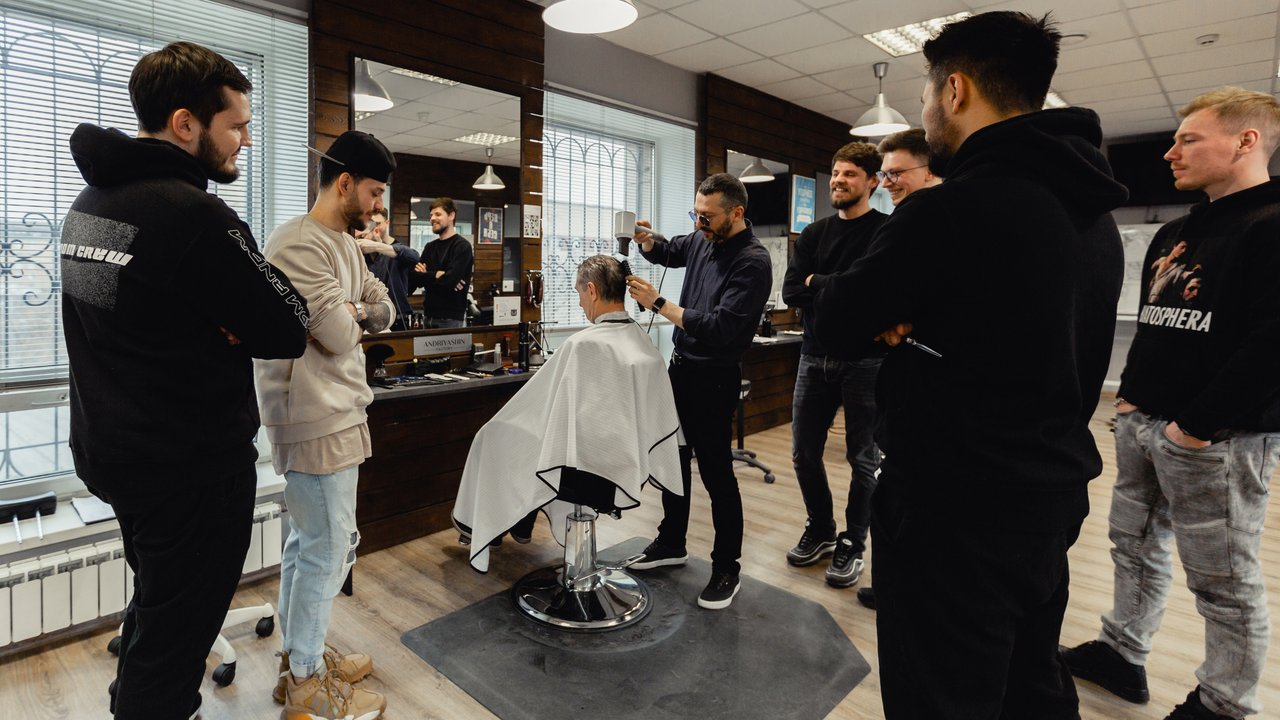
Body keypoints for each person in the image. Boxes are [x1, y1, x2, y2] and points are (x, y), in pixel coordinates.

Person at [814, 12, 1127, 719]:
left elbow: (835, 319)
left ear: (955, 90)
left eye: (927, 93)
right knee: (1030, 687)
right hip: (1047, 498)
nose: (926, 110)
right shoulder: (1094, 217)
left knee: (941, 699)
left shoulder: (951, 210)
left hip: (953, 510)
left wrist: (878, 311)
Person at [60, 41, 308, 719]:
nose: (245, 140)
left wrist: (222, 319)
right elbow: (288, 324)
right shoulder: (193, 217)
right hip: (187, 470)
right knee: (172, 651)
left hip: (114, 452)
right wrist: (229, 322)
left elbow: (124, 321)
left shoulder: (89, 204)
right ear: (185, 124)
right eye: (236, 126)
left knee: (158, 607)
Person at [1062, 87, 1280, 720]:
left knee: (1225, 582)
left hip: (1219, 439)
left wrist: (1195, 426)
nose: (1170, 152)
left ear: (1245, 141)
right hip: (1144, 423)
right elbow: (1157, 324)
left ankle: (1223, 703)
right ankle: (1122, 653)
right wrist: (1131, 398)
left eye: (1189, 139)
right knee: (1133, 547)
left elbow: (1273, 344)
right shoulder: (1174, 232)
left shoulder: (1272, 224)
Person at [254, 129, 397, 720]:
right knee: (329, 548)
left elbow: (385, 308)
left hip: (338, 408)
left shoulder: (344, 243)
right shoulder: (296, 243)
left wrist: (354, 308)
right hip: (311, 414)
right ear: (344, 183)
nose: (378, 207)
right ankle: (308, 684)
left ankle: (297, 661)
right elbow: (338, 334)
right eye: (374, 192)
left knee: (309, 542)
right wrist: (353, 311)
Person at [452, 255, 682, 572]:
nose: (579, 303)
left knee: (492, 438)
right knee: (529, 444)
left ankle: (493, 525)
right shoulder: (641, 341)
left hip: (586, 472)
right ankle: (521, 521)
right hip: (624, 465)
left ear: (592, 290)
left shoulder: (582, 345)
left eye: (578, 293)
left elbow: (544, 410)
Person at [625, 172, 772, 610]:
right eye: (695, 214)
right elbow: (669, 251)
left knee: (716, 473)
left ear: (736, 212)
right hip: (681, 369)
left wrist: (658, 303)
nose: (699, 223)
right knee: (673, 461)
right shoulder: (701, 239)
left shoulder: (753, 262)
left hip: (715, 377)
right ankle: (672, 542)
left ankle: (727, 567)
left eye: (707, 216)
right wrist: (646, 240)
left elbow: (720, 328)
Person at [780, 141, 886, 590]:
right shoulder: (813, 234)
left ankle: (853, 542)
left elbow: (873, 294)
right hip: (813, 357)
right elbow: (791, 291)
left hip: (867, 361)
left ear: (873, 182)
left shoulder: (884, 231)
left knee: (863, 459)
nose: (839, 181)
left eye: (850, 174)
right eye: (837, 173)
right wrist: (842, 288)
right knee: (804, 453)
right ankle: (822, 528)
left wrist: (819, 282)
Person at [851, 127, 943, 612]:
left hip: (938, 392)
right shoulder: (908, 221)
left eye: (895, 174)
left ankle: (911, 595)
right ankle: (894, 585)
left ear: (929, 171)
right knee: (897, 493)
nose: (886, 184)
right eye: (883, 175)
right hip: (905, 383)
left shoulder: (940, 221)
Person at [410, 197, 473, 328]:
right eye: (431, 215)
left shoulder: (462, 247)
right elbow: (415, 278)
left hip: (450, 318)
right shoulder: (430, 247)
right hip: (428, 315)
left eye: (438, 214)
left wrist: (426, 275)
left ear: (451, 216)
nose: (433, 218)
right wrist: (436, 275)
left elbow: (450, 282)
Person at [358, 209, 419, 330]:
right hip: (372, 319)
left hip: (398, 319)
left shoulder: (394, 251)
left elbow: (415, 257)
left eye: (362, 237)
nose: (360, 241)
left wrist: (377, 246)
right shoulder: (362, 257)